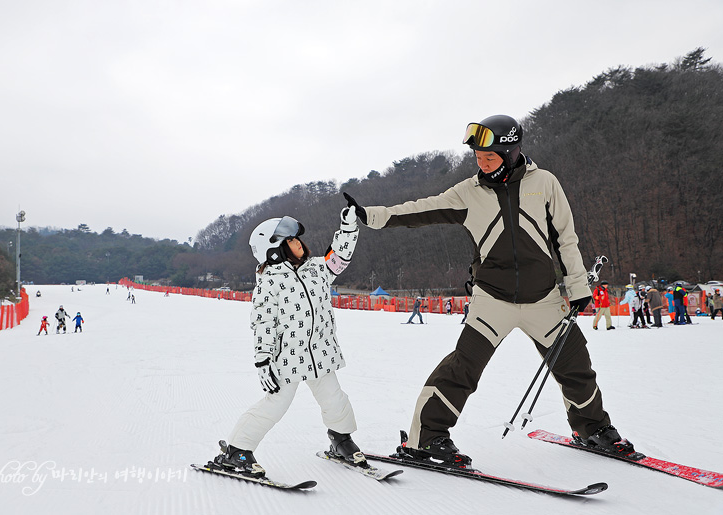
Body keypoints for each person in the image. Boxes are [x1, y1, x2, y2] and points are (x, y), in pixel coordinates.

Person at [343, 114, 634, 462]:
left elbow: (565, 239)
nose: (482, 164)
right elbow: (424, 209)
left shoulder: (544, 183)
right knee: (463, 367)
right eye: (478, 157)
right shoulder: (469, 192)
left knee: (576, 365)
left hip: (544, 299)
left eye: (490, 157)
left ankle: (592, 428)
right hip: (492, 300)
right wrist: (373, 215)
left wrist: (576, 284)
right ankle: (427, 437)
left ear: (511, 152)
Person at [210, 207, 363, 477]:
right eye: (290, 241)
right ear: (273, 250)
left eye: (297, 239)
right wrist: (263, 359)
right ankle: (237, 451)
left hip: (321, 352)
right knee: (275, 404)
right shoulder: (269, 283)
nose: (298, 243)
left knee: (334, 399)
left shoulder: (318, 269)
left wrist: (348, 228)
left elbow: (340, 256)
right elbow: (263, 323)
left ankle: (341, 440)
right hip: (289, 357)